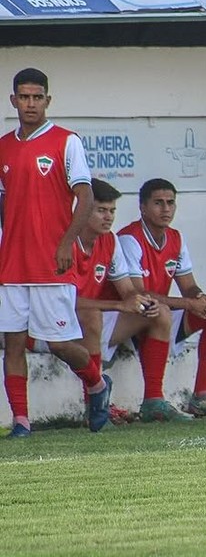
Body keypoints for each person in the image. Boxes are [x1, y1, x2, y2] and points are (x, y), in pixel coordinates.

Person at [1, 68, 110, 437]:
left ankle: (96, 384)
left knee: (61, 344)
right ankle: (21, 422)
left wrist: (66, 243)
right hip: (12, 264)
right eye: (24, 97)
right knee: (13, 343)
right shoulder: (3, 146)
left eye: (37, 97)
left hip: (51, 262)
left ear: (48, 100)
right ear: (13, 100)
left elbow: (86, 197)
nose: (30, 103)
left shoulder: (66, 141)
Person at [117, 178, 206, 420]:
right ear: (143, 207)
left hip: (158, 312)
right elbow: (139, 295)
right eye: (158, 203)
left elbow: (188, 285)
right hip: (128, 317)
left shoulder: (176, 238)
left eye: (170, 203)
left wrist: (200, 298)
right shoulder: (129, 238)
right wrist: (190, 304)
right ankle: (153, 401)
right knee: (156, 310)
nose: (166, 209)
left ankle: (202, 396)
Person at [73, 179, 172, 409]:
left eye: (112, 211)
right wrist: (119, 306)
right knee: (92, 316)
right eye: (101, 210)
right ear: (82, 209)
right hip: (55, 328)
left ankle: (153, 401)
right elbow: (64, 301)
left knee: (160, 312)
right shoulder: (66, 240)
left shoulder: (111, 240)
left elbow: (127, 290)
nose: (108, 217)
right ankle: (95, 406)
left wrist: (140, 301)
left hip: (91, 324)